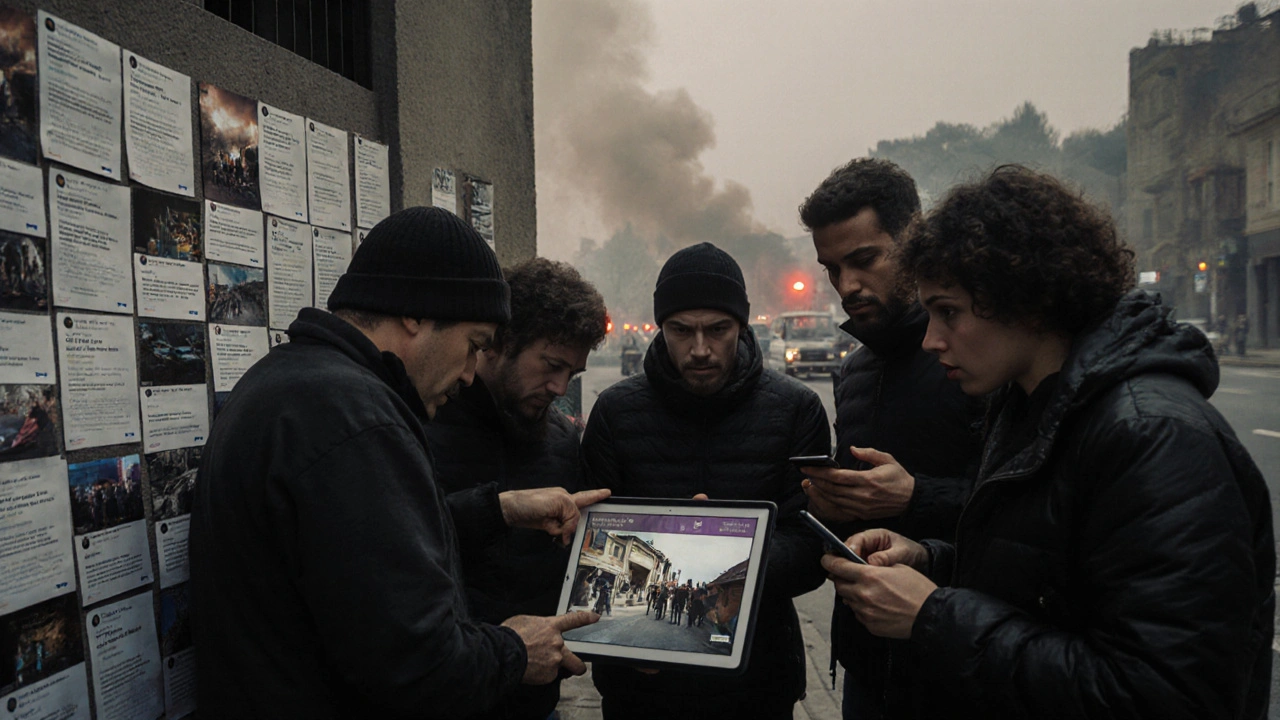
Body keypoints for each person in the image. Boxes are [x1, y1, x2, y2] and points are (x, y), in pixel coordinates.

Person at [824, 166, 1275, 719]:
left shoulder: (1154, 435)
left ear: (1025, 299)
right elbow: (1040, 583)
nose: (930, 339)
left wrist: (933, 615)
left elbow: (1168, 693)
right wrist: (930, 562)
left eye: (949, 312)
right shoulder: (1025, 407)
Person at [190, 207, 607, 719]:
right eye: (473, 345)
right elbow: (418, 665)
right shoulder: (359, 420)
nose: (473, 373)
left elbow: (353, 553)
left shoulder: (289, 384)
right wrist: (516, 649)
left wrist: (496, 510)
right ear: (415, 314)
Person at [582, 242, 831, 720]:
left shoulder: (796, 409)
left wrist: (729, 548)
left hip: (756, 677)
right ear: (661, 328)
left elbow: (812, 544)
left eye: (718, 330)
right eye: (682, 331)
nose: (700, 349)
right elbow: (591, 527)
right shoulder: (615, 412)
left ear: (741, 325)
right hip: (641, 685)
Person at [796, 158, 983, 717]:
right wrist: (827, 504)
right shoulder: (854, 371)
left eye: (864, 260)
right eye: (831, 268)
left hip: (960, 663)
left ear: (914, 238)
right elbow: (858, 521)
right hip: (865, 659)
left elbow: (1031, 515)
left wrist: (915, 496)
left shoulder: (978, 359)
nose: (845, 286)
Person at [425, 257, 606, 720]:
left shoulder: (563, 442)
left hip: (534, 699)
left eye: (573, 374)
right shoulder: (422, 426)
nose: (559, 386)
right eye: (551, 365)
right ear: (500, 342)